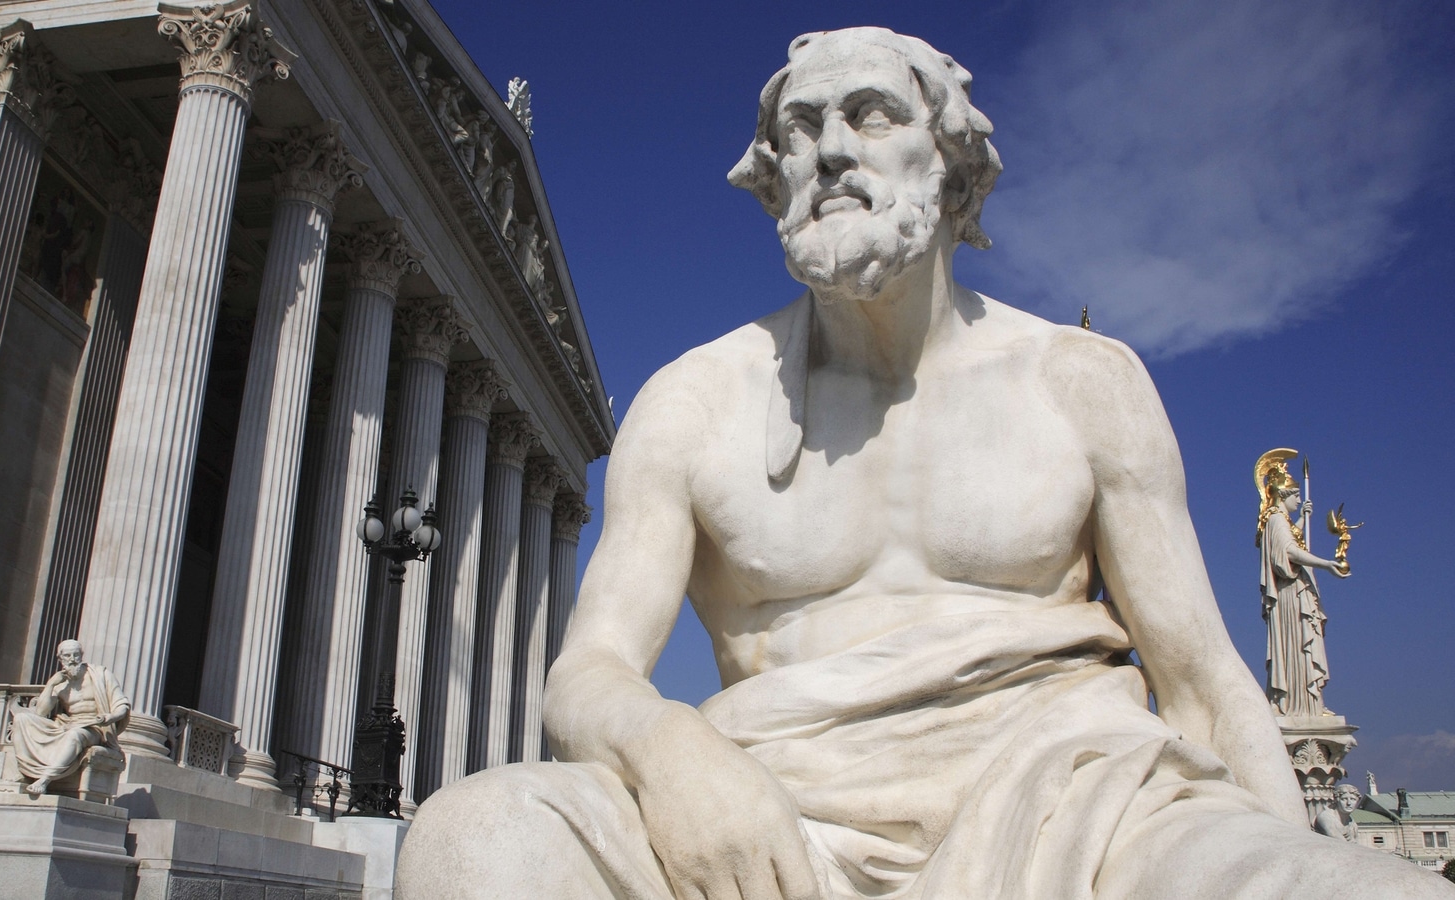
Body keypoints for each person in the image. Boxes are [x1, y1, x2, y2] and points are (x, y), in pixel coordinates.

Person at [395, 27, 1454, 899]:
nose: (830, 152)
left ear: (945, 162)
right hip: (770, 822)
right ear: (772, 183)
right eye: (798, 132)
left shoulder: (1082, 381)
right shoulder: (694, 401)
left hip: (1080, 806)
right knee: (471, 843)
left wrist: (1278, 849)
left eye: (869, 114)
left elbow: (1203, 682)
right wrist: (673, 758)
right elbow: (591, 672)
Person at [1256, 451, 1347, 716]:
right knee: (1296, 646)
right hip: (1290, 594)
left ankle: (1310, 703)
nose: (1300, 499)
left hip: (1297, 591)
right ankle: (1297, 705)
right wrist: (1326, 563)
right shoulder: (1274, 518)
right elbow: (1288, 553)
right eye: (1296, 496)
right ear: (1283, 495)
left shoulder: (1281, 521)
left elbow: (1290, 540)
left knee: (1304, 646)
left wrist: (1304, 519)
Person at [10, 639, 130, 797]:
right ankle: (27, 772)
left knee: (75, 735)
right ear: (60, 659)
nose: (72, 659)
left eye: (76, 655)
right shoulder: (60, 682)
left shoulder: (100, 674)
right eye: (67, 655)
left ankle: (45, 779)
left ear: (82, 655)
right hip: (67, 724)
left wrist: (110, 717)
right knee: (22, 719)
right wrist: (51, 684)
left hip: (95, 728)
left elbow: (122, 706)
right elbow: (40, 712)